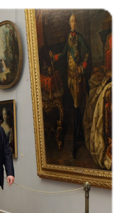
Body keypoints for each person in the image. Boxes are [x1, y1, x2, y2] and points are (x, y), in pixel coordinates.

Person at [49, 13, 90, 159]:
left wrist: (82, 67)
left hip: (77, 77)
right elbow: (65, 52)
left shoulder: (79, 37)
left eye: (75, 21)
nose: (73, 23)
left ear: (76, 23)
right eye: (71, 21)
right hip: (69, 76)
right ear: (68, 23)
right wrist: (55, 56)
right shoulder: (68, 37)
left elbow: (88, 53)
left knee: (77, 106)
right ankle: (77, 134)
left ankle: (77, 137)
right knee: (73, 105)